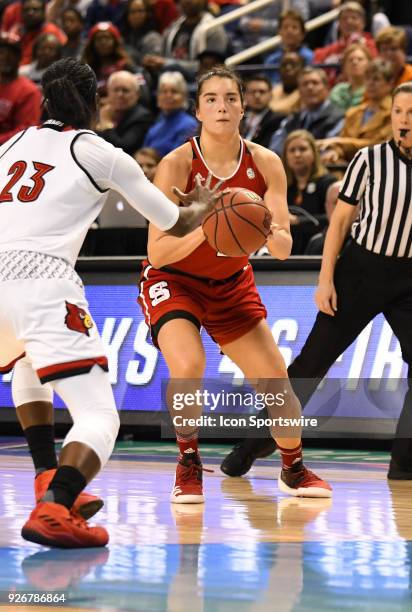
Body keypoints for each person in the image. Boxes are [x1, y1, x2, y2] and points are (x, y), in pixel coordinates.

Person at [1, 57, 228, 549]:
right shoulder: (100, 152)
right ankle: (56, 507)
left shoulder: (13, 142)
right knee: (101, 417)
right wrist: (203, 205)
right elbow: (175, 222)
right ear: (94, 101)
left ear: (44, 100)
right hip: (42, 277)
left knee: (26, 363)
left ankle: (46, 474)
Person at [138, 66, 332, 503]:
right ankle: (188, 461)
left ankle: (293, 468)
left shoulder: (266, 163)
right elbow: (157, 253)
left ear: (244, 107)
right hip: (175, 280)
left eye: (230, 98)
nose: (222, 107)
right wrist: (206, 225)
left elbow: (282, 248)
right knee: (188, 366)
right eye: (212, 99)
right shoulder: (176, 165)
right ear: (198, 109)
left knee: (277, 382)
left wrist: (265, 225)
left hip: (230, 282)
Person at [221, 82, 412, 481]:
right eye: (398, 113)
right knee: (311, 364)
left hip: (408, 278)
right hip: (360, 269)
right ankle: (254, 442)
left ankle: (404, 465)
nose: (404, 121)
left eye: (411, 113)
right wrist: (326, 279)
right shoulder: (369, 159)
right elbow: (340, 220)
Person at [320, 58, 394, 165]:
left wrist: (340, 142)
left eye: (376, 79)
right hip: (350, 166)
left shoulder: (395, 112)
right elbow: (341, 144)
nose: (370, 83)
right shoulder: (353, 112)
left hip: (379, 166)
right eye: (368, 79)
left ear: (390, 84)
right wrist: (336, 152)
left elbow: (382, 146)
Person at [283, 129, 339, 254]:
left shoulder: (328, 183)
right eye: (292, 150)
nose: (297, 154)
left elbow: (334, 218)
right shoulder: (284, 185)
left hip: (318, 249)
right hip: (289, 250)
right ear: (285, 156)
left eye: (303, 149)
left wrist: (298, 221)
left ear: (314, 153)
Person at [268, 67, 345, 156]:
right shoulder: (293, 119)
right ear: (299, 92)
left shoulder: (338, 117)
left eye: (315, 83)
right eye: (305, 84)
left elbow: (329, 150)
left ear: (326, 88)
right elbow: (275, 150)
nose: (310, 87)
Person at [95, 70, 153, 155]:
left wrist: (106, 123)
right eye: (116, 90)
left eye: (125, 90)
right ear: (108, 92)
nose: (120, 94)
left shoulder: (143, 117)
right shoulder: (103, 111)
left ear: (137, 94)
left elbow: (124, 148)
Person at [143, 71, 198, 157]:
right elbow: (144, 153)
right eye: (164, 91)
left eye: (174, 91)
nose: (168, 95)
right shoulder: (158, 122)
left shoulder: (189, 125)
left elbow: (178, 160)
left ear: (184, 96)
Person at [0, 32, 41, 145]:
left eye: (11, 53)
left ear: (19, 57)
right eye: (2, 52)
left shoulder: (29, 91)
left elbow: (26, 132)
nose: (5, 57)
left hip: (9, 153)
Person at [263, 9, 313, 85]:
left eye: (294, 27)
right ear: (279, 32)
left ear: (303, 33)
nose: (289, 31)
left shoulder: (311, 57)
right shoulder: (271, 60)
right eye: (285, 27)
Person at [241, 74, 283, 149]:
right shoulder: (240, 119)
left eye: (262, 92)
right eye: (252, 92)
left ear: (271, 95)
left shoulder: (277, 120)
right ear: (245, 95)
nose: (257, 96)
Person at [328, 42, 371, 111]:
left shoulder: (373, 91)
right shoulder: (337, 91)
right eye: (350, 60)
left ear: (370, 64)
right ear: (344, 67)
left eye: (360, 59)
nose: (355, 62)